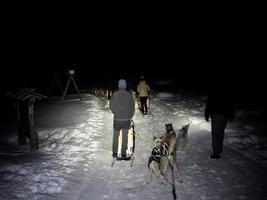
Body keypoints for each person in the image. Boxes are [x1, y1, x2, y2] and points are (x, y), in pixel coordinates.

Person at [204, 87, 235, 159]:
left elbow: (209, 101)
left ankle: (216, 153)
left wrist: (206, 113)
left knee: (215, 134)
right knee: (221, 132)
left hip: (216, 113)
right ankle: (219, 149)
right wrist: (232, 115)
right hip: (226, 114)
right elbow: (232, 103)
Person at [110, 79, 135, 158]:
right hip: (126, 120)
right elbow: (132, 107)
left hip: (117, 120)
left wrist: (115, 113)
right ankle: (123, 153)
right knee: (125, 136)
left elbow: (111, 106)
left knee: (115, 136)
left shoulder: (115, 94)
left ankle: (114, 152)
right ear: (125, 86)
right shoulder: (129, 95)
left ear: (119, 85)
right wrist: (130, 116)